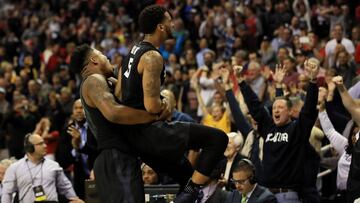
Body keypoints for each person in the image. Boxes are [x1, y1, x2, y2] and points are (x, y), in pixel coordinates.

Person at [120, 4, 228, 202]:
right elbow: (153, 107)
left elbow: (120, 91)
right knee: (218, 139)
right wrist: (165, 103)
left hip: (135, 137)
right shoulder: (152, 56)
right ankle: (192, 192)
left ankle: (189, 192)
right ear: (161, 27)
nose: (173, 26)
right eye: (170, 22)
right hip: (150, 133)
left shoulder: (132, 51)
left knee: (187, 176)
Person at [69, 44, 163, 203]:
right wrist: (153, 116)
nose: (108, 58)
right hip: (115, 157)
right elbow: (114, 112)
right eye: (103, 55)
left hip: (115, 158)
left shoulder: (105, 81)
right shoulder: (93, 80)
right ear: (94, 59)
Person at [237, 58, 320, 202]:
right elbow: (255, 106)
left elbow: (308, 111)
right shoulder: (268, 127)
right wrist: (241, 82)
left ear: (290, 112)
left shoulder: (297, 129)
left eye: (280, 108)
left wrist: (313, 81)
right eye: (274, 108)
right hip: (266, 195)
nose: (276, 110)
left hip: (287, 195)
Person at [1, 133, 84, 203]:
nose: (45, 146)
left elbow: (65, 187)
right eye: (40, 144)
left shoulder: (54, 165)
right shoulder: (15, 168)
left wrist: (75, 199)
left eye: (44, 143)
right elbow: (7, 193)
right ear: (30, 147)